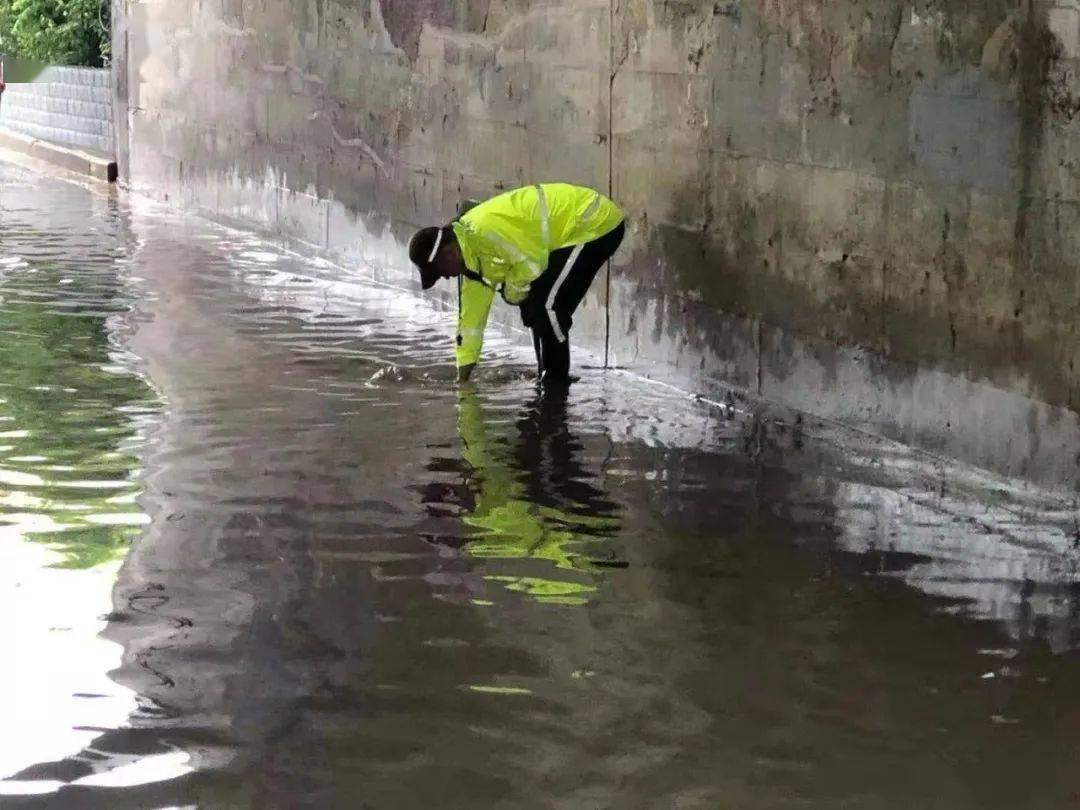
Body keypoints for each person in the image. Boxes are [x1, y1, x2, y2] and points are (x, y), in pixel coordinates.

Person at [408, 183, 624, 385]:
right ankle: (547, 378)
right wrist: (462, 381)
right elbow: (470, 324)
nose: (445, 277)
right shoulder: (472, 262)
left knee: (547, 307)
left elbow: (532, 264)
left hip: (593, 222)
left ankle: (555, 384)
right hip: (566, 235)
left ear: (449, 254)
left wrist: (512, 293)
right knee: (535, 305)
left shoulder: (485, 230)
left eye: (439, 272)